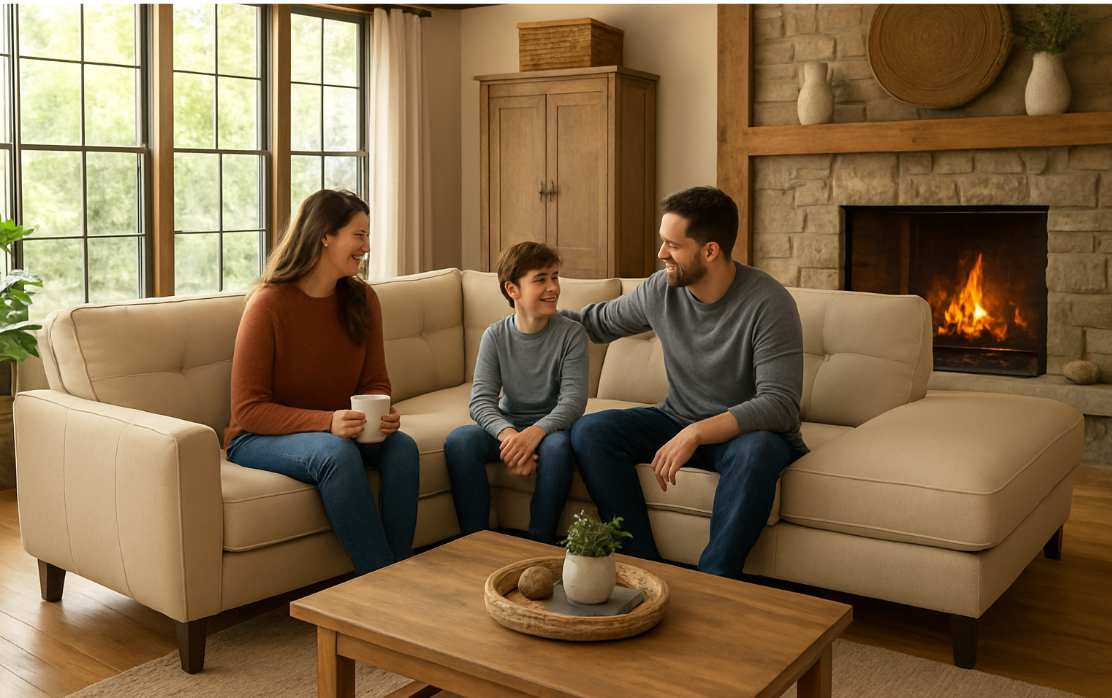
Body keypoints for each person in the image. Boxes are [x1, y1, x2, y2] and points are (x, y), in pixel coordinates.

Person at [564, 186, 808, 579]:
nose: (661, 254)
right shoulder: (661, 290)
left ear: (710, 250)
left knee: (758, 451)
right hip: (677, 418)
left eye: (672, 245)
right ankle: (644, 570)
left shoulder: (769, 303)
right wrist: (531, 310)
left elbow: (779, 404)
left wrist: (696, 432)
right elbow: (596, 323)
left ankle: (713, 584)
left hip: (746, 435)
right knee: (592, 431)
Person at [224, 189, 419, 576]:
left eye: (367, 236)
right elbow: (248, 410)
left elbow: (376, 380)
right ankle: (384, 583)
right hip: (257, 438)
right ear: (324, 235)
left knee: (402, 448)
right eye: (358, 235)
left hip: (340, 429)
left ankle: (399, 570)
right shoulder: (268, 305)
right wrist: (326, 422)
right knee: (336, 454)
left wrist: (381, 412)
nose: (366, 246)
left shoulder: (363, 300)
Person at [444, 242, 589, 544]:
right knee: (459, 441)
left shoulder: (571, 333)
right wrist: (512, 440)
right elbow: (481, 401)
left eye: (555, 277)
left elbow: (573, 402)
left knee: (557, 449)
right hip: (511, 427)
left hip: (552, 430)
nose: (553, 287)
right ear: (513, 289)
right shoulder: (495, 336)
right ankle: (476, 541)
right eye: (541, 279)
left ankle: (537, 543)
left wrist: (534, 435)